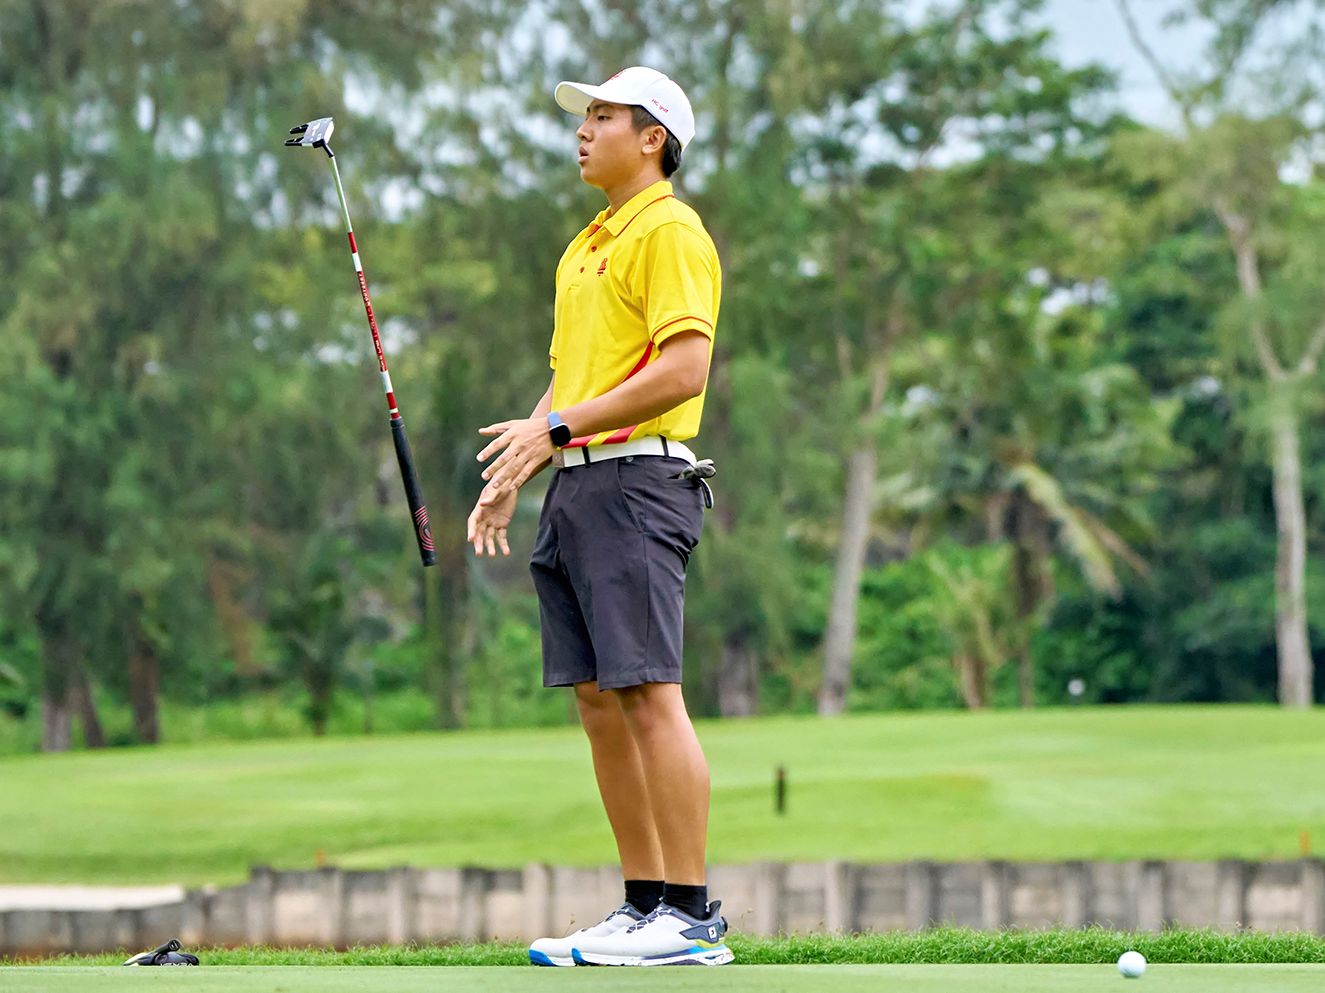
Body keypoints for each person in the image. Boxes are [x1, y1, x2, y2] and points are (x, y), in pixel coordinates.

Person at [465, 66, 729, 967]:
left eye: (601, 116)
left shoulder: (669, 231)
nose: (583, 130)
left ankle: (691, 919)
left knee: (649, 689)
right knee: (598, 700)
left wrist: (560, 429)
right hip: (577, 484)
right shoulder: (587, 245)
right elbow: (573, 378)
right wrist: (522, 457)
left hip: (636, 484)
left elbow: (684, 370)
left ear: (650, 135)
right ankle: (644, 902)